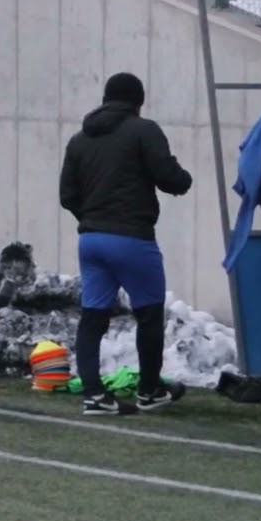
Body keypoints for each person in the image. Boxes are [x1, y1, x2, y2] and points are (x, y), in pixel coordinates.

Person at [59, 72, 192, 415]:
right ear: (138, 101)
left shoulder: (78, 139)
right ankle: (149, 391)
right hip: (133, 238)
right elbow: (168, 177)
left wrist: (92, 219)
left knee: (93, 318)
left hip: (90, 240)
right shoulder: (143, 130)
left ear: (105, 99)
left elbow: (67, 196)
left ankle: (94, 395)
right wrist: (182, 179)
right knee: (148, 314)